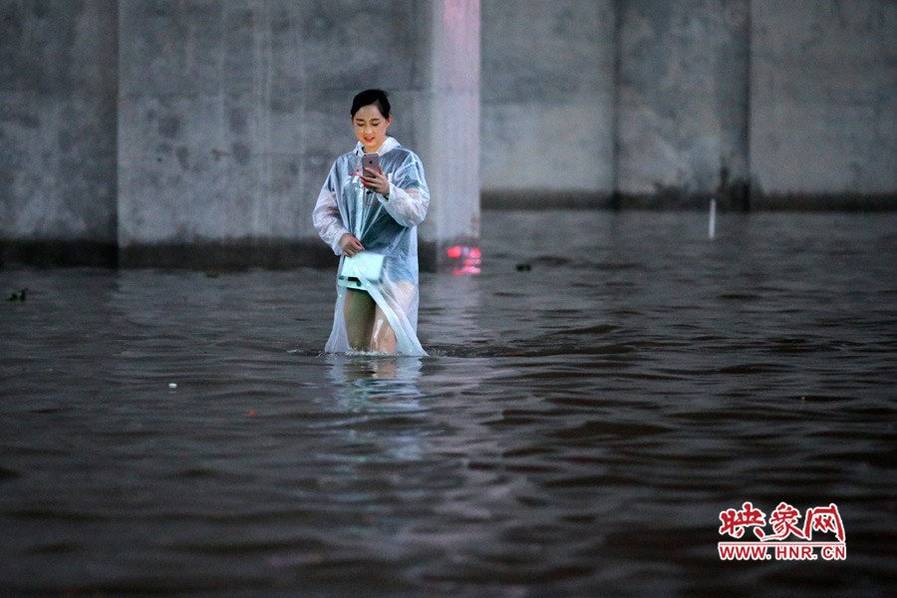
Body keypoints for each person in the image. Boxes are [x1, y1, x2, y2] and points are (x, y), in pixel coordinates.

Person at [312, 89, 430, 356]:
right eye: (360, 123)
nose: (367, 131)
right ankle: (361, 398)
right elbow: (323, 213)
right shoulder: (343, 165)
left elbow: (417, 211)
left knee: (382, 345)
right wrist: (340, 237)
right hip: (359, 262)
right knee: (358, 349)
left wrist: (389, 190)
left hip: (396, 266)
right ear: (351, 121)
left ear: (388, 121)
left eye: (375, 123)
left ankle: (386, 396)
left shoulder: (405, 161)